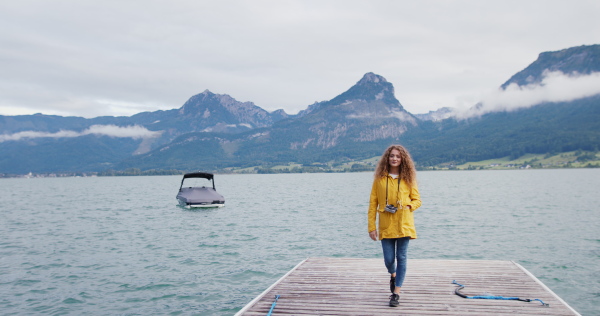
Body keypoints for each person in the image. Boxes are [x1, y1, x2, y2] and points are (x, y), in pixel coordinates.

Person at [368, 144, 421, 307]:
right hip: (386, 224)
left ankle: (396, 293)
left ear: (402, 159)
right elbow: (372, 204)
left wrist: (409, 206)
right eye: (392, 156)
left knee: (402, 257)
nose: (395, 158)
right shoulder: (379, 179)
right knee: (389, 259)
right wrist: (371, 227)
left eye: (398, 156)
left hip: (404, 223)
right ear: (387, 158)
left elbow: (417, 200)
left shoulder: (409, 178)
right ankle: (393, 274)